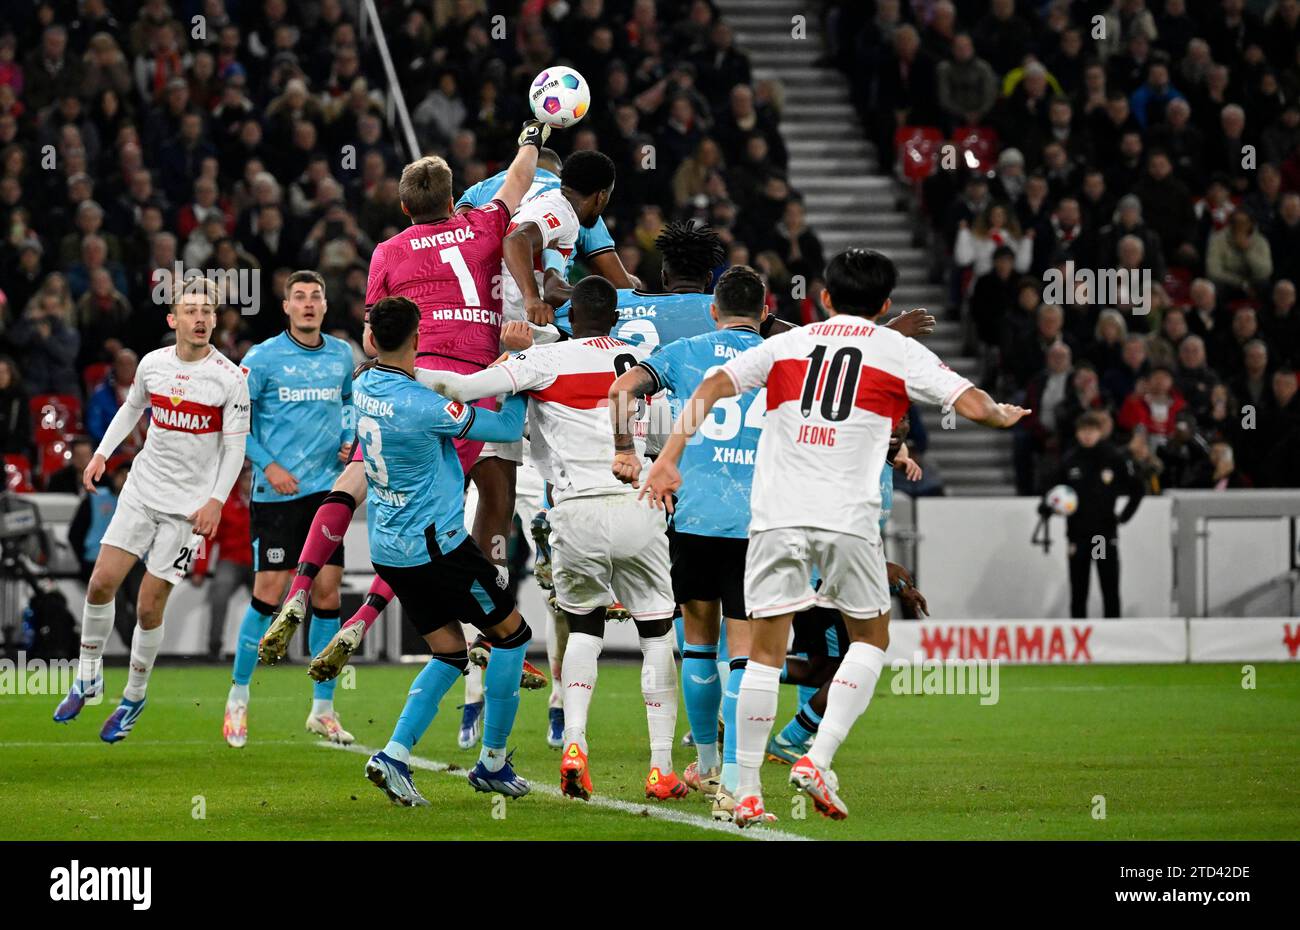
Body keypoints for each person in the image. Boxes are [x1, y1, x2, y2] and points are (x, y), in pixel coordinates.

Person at [639, 248, 1028, 826]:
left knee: (763, 655)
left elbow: (712, 388)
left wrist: (668, 458)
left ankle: (746, 790)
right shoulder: (899, 350)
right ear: (887, 305)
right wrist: (1000, 414)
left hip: (775, 517)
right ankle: (817, 757)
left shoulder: (789, 343)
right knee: (870, 639)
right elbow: (970, 403)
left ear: (824, 297)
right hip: (846, 519)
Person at [257, 121, 551, 680]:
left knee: (357, 484)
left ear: (402, 203)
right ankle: (376, 623)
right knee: (429, 521)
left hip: (407, 376)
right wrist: (531, 134)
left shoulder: (388, 250)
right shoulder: (484, 224)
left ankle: (298, 589)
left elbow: (374, 332)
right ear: (451, 197)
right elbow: (517, 179)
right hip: (468, 383)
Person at [420, 277, 687, 802]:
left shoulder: (547, 360)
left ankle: (574, 745)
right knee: (657, 633)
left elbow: (460, 390)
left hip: (574, 512)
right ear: (615, 317)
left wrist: (398, 371)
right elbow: (660, 436)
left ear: (571, 316)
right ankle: (661, 767)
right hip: (638, 505)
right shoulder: (647, 362)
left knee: (584, 629)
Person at [350, 296, 534, 806]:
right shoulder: (424, 407)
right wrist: (517, 369)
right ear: (417, 338)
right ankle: (492, 762)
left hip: (389, 550)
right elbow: (504, 429)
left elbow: (416, 382)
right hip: (441, 551)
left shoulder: (363, 384)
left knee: (451, 652)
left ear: (372, 340)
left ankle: (394, 755)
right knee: (513, 636)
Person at [53, 279, 250, 742]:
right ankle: (87, 676)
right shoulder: (152, 365)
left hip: (187, 510)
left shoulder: (229, 378)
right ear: (173, 319)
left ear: (215, 321)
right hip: (142, 491)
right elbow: (132, 409)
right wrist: (103, 453)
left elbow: (235, 449)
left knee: (147, 604)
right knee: (101, 582)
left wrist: (215, 501)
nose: (200, 319)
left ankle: (134, 696)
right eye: (191, 311)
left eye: (208, 311)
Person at [607, 263, 767, 817]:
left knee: (698, 639)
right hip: (758, 522)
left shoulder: (689, 349)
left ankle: (704, 763)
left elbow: (624, 386)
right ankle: (737, 777)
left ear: (715, 310)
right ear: (765, 312)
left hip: (694, 515)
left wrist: (626, 448)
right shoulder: (782, 358)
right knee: (744, 650)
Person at [222, 270, 355, 748]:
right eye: (298, 297)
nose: (307, 304)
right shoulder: (262, 358)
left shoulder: (342, 354)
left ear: (324, 305)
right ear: (285, 307)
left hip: (326, 492)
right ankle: (237, 698)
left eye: (315, 297)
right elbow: (236, 423)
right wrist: (269, 465)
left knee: (327, 592)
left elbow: (349, 404)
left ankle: (323, 708)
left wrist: (348, 438)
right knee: (270, 593)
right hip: (277, 495)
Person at [1040, 410, 1144, 618]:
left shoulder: (1112, 458)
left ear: (1100, 432)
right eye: (1083, 431)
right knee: (1079, 589)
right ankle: (1078, 637)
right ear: (1077, 433)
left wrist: (1124, 516)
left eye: (1092, 431)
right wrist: (1048, 507)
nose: (1087, 435)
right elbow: (1051, 490)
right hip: (1077, 534)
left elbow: (1137, 489)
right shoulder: (1070, 459)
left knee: (1108, 586)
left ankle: (1113, 633)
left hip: (1101, 536)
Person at [191, 466, 253, 661]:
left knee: (276, 597)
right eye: (245, 479)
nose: (248, 484)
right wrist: (199, 569)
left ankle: (275, 649)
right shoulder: (224, 505)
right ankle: (214, 647)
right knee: (219, 593)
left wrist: (289, 569)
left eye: (252, 479)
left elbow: (281, 537)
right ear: (239, 481)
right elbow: (205, 539)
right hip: (230, 560)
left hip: (259, 561)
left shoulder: (266, 502)